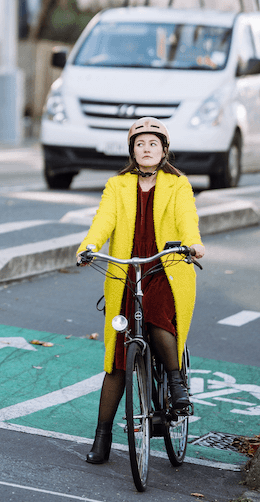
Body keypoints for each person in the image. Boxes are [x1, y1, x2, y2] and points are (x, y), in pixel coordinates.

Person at [76, 117, 205, 464]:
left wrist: (192, 244)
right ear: (132, 151)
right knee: (117, 359)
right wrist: (88, 246)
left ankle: (176, 384)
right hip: (127, 270)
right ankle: (102, 439)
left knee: (158, 316)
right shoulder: (117, 186)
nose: (146, 150)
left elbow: (187, 218)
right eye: (139, 145)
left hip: (165, 267)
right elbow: (103, 220)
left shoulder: (177, 184)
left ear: (164, 151)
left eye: (153, 144)